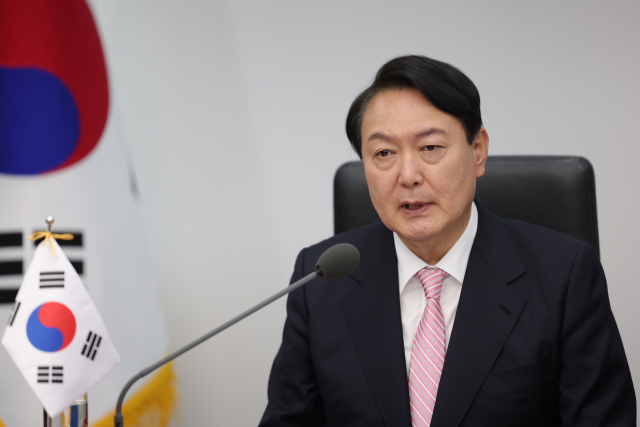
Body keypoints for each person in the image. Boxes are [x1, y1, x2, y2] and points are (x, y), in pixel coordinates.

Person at [259, 55, 636, 426]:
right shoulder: (320, 282)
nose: (408, 175)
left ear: (478, 151)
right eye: (384, 153)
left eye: (430, 147)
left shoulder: (564, 276)